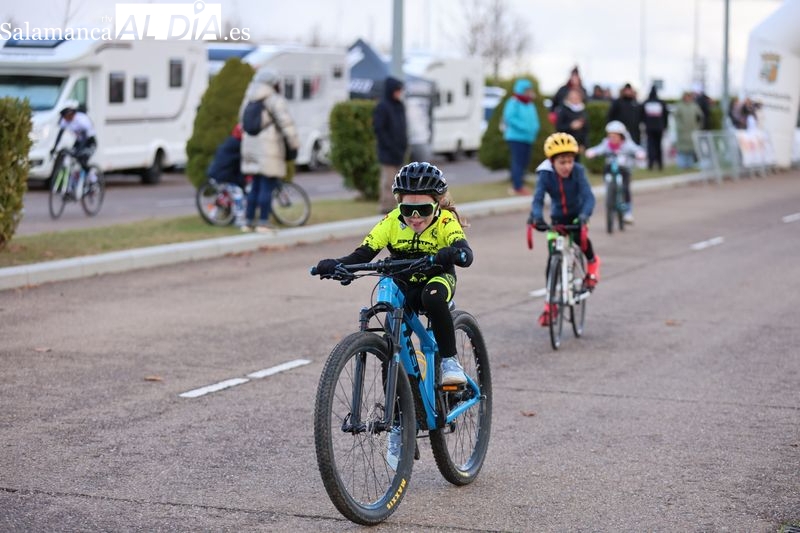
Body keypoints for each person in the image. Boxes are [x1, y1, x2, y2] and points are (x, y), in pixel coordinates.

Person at [314, 162, 473, 387]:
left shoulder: (446, 221)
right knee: (392, 323)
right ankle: (400, 402)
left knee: (433, 297)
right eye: (408, 210)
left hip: (437, 280)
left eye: (424, 210)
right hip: (404, 282)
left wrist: (453, 253)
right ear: (399, 205)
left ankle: (449, 362)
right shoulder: (391, 221)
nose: (415, 217)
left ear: (437, 205)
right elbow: (362, 254)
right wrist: (336, 265)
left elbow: (466, 254)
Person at [528, 133, 600, 327]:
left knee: (581, 239)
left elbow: (589, 197)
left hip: (578, 216)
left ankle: (593, 264)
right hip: (558, 219)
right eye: (562, 162)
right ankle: (550, 304)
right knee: (553, 256)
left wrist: (585, 215)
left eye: (570, 161)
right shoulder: (545, 174)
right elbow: (538, 199)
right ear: (552, 161)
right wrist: (536, 216)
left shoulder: (578, 171)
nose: (567, 166)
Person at [239, 67, 300, 233]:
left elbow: (242, 124)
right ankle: (263, 222)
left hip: (250, 148)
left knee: (255, 186)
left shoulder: (248, 99)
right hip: (269, 148)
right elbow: (287, 124)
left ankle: (248, 221)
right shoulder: (274, 100)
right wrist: (294, 144)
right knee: (266, 187)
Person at [585, 120, 646, 223]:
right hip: (610, 169)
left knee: (626, 188)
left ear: (621, 136)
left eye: (615, 136)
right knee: (607, 172)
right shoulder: (606, 143)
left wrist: (640, 153)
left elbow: (636, 149)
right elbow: (599, 149)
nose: (612, 138)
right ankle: (609, 189)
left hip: (624, 169)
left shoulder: (627, 144)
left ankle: (628, 212)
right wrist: (592, 152)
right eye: (610, 136)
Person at [373, 76, 408, 213]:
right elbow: (380, 130)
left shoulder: (400, 106)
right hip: (388, 152)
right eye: (397, 90)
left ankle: (400, 205)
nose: (399, 93)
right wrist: (390, 146)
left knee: (400, 181)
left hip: (400, 150)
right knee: (388, 181)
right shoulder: (383, 107)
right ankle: (386, 207)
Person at [502, 78, 540, 195]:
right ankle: (517, 186)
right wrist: (524, 127)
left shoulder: (529, 103)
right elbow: (509, 118)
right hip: (516, 137)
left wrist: (535, 128)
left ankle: (520, 183)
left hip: (528, 138)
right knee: (518, 162)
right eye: (526, 89)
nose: (529, 91)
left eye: (529, 89)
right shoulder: (514, 102)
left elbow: (534, 119)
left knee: (525, 161)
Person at [50, 100, 98, 190]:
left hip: (89, 141)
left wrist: (79, 151)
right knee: (70, 158)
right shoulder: (65, 120)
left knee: (82, 160)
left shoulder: (81, 120)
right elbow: (60, 134)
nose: (65, 118)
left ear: (72, 113)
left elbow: (85, 136)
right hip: (79, 141)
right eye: (64, 116)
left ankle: (93, 179)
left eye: (67, 115)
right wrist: (54, 148)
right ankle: (72, 184)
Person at [207, 123, 248, 226]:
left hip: (218, 174)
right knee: (237, 194)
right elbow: (239, 164)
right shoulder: (238, 145)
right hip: (222, 176)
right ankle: (239, 219)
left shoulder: (231, 141)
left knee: (225, 196)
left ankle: (213, 215)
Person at [640, 85, 669, 171]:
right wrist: (664, 126)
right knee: (658, 146)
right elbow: (665, 115)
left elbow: (642, 115)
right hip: (659, 128)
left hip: (649, 128)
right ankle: (660, 164)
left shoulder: (646, 102)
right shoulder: (661, 102)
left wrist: (645, 123)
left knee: (650, 146)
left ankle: (651, 164)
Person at [673, 90, 704, 169]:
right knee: (682, 149)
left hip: (692, 130)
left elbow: (700, 117)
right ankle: (682, 164)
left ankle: (690, 164)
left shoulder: (694, 106)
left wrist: (698, 126)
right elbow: (676, 117)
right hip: (682, 131)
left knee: (691, 149)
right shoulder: (680, 106)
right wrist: (680, 126)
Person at [555, 88, 589, 157]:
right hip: (565, 145)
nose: (574, 99)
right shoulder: (563, 110)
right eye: (572, 97)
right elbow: (558, 127)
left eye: (576, 97)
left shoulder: (583, 112)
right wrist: (570, 126)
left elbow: (586, 130)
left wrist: (584, 144)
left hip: (577, 146)